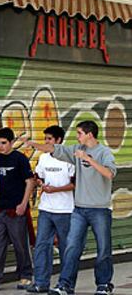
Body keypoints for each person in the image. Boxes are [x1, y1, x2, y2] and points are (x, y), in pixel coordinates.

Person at [25, 121, 117, 295]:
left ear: (89, 134)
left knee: (103, 248)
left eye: (80, 133)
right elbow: (55, 149)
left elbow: (110, 173)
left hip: (100, 209)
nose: (77, 136)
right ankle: (65, 285)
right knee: (71, 248)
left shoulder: (104, 152)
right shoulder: (76, 149)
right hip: (79, 210)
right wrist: (33, 144)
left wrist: (88, 159)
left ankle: (104, 284)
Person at [0, 127, 35, 291]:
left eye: (4, 143)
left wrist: (23, 204)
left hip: (16, 210)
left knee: (20, 245)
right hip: (1, 210)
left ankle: (26, 276)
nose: (1, 146)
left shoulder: (20, 159)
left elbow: (30, 182)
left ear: (11, 143)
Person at [26, 126, 75, 293]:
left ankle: (65, 283)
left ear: (59, 141)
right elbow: (38, 176)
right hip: (46, 209)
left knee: (65, 248)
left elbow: (74, 184)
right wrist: (40, 184)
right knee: (41, 245)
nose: (46, 142)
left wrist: (55, 189)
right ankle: (41, 282)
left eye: (49, 139)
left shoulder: (69, 159)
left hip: (65, 210)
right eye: (45, 138)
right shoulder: (43, 158)